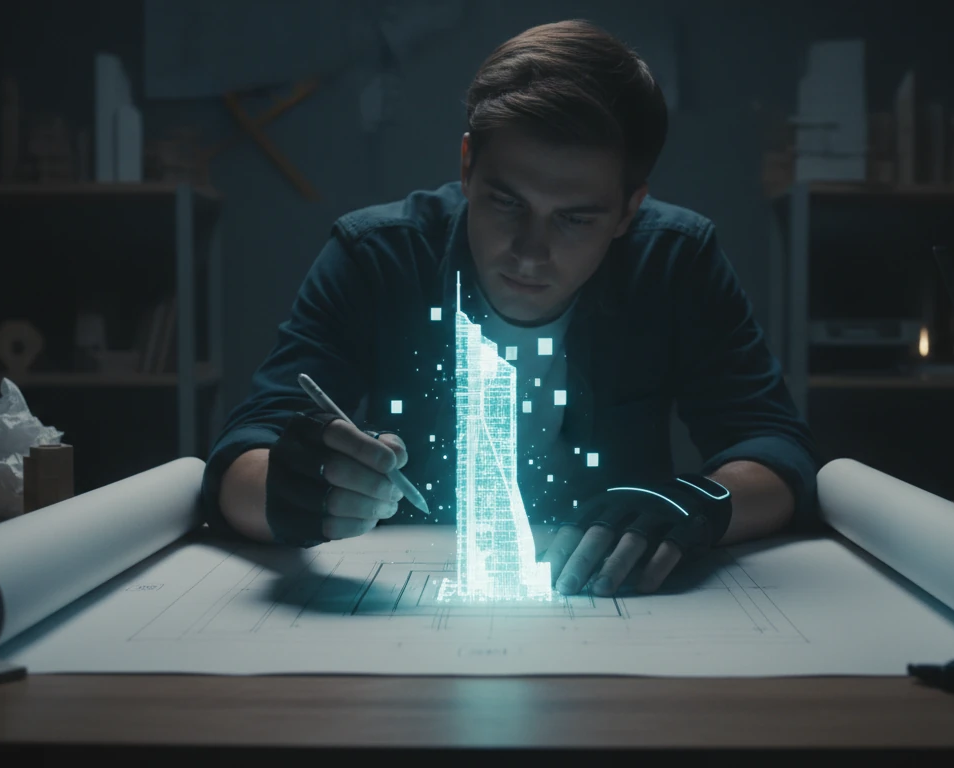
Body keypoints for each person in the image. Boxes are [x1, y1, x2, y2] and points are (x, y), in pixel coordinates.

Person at [201, 19, 819, 598]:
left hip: (610, 607)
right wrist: (290, 490)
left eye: (575, 219)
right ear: (468, 167)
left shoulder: (677, 261)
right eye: (506, 203)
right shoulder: (378, 256)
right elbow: (242, 456)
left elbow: (777, 451)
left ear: (630, 210)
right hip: (410, 604)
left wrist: (699, 499)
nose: (531, 252)